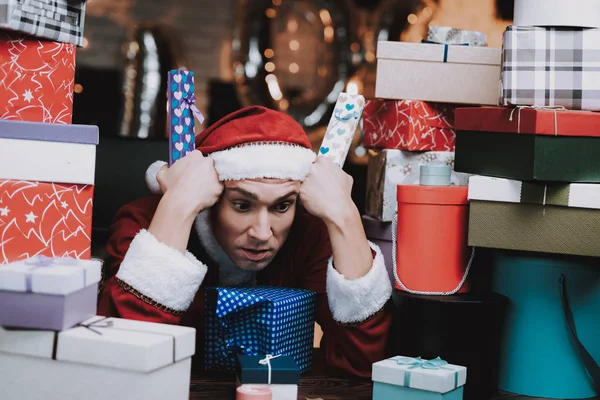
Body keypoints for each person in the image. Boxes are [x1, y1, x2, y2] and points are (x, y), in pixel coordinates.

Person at [97, 105, 393, 378]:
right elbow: (119, 356)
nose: (263, 233)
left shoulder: (310, 232)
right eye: (242, 205)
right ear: (210, 196)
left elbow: (362, 364)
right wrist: (178, 205)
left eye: (281, 206)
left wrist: (344, 215)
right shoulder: (148, 222)